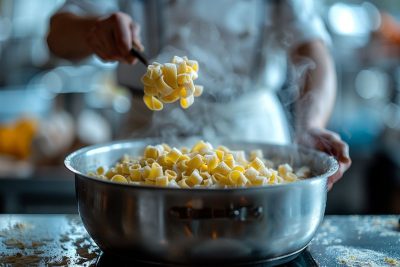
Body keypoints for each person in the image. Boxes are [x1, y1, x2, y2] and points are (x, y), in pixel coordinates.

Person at [47, 0, 351, 189]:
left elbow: (312, 49)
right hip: (146, 135)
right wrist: (93, 29)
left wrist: (311, 125)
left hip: (250, 134)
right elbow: (56, 37)